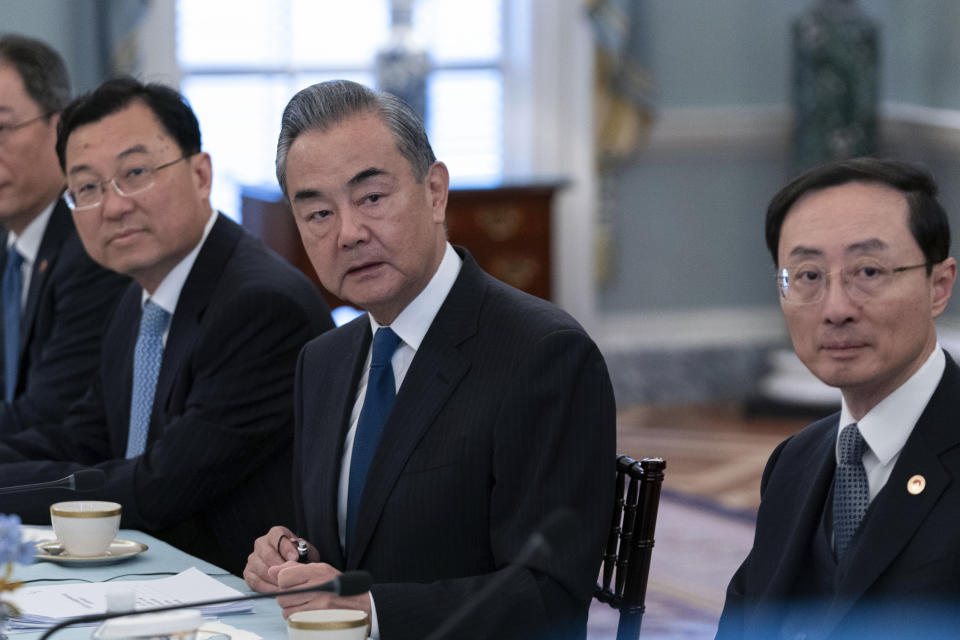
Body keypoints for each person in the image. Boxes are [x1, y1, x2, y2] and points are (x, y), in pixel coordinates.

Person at [243, 80, 616, 640]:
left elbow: (549, 595)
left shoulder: (543, 355)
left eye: (371, 198)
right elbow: (356, 544)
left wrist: (370, 609)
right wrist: (290, 556)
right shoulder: (322, 361)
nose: (348, 233)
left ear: (435, 191)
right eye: (318, 213)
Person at [0, 77, 333, 575]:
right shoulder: (139, 297)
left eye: (135, 172)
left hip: (243, 597)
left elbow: (154, 487)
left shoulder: (260, 306)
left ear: (201, 174)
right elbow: (78, 437)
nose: (113, 206)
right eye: (87, 188)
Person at [717, 157, 960, 639]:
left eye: (868, 271)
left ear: (939, 286)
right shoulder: (795, 462)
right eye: (807, 276)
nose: (835, 309)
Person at [0, 35, 128, 434]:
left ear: (59, 129)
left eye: (2, 127)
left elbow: (46, 418)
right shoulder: (11, 242)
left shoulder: (91, 247)